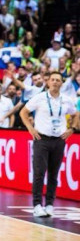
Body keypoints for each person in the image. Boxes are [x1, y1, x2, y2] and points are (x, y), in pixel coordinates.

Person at [20, 72, 78, 217]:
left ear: (62, 83)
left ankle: (50, 204)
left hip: (59, 140)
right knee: (39, 173)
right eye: (53, 80)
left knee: (54, 173)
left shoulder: (67, 100)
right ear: (48, 82)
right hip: (42, 139)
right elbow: (23, 112)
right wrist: (30, 128)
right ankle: (37, 205)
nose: (55, 82)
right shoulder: (40, 98)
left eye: (58, 80)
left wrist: (72, 129)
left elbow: (76, 113)